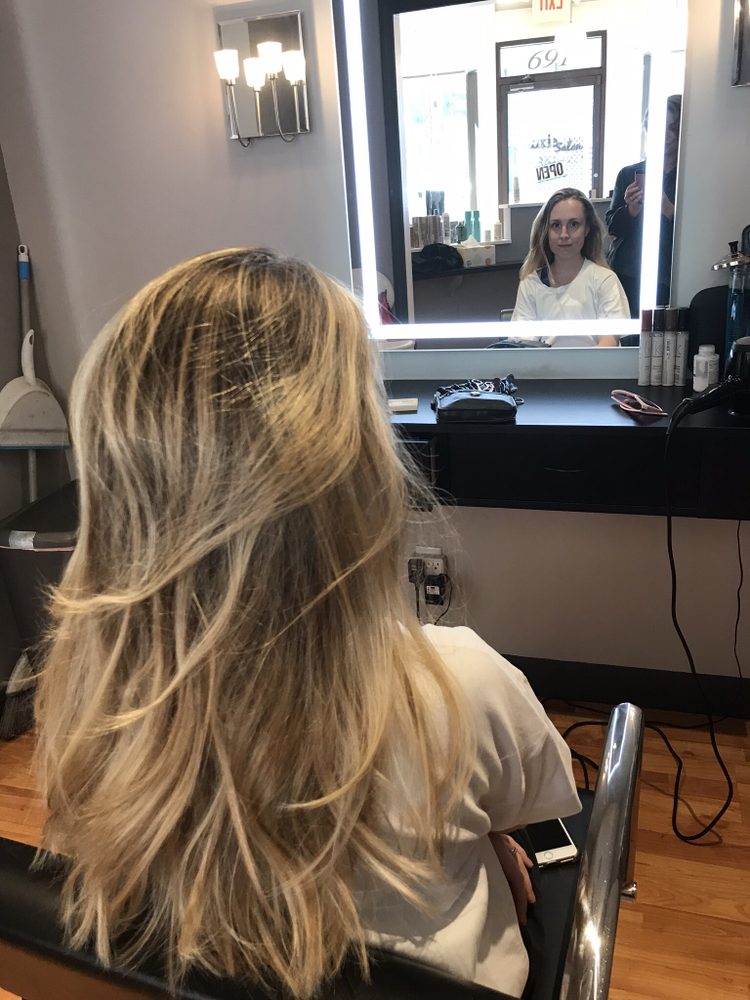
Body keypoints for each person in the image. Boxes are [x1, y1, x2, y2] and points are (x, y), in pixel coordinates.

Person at [35, 248, 580, 1000]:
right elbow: (534, 804)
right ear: (360, 477)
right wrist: (486, 837)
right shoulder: (460, 685)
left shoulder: (90, 708)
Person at [512, 188, 629, 345]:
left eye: (574, 224)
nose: (564, 235)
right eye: (556, 225)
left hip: (595, 361)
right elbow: (523, 345)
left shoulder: (604, 280)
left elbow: (609, 342)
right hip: (544, 362)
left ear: (587, 229)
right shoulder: (530, 284)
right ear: (546, 231)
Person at [606, 95, 682, 317]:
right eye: (659, 128)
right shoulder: (629, 174)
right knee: (628, 331)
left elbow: (697, 234)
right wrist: (631, 211)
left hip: (670, 275)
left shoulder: (688, 177)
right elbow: (612, 227)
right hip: (628, 271)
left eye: (672, 128)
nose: (666, 136)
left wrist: (669, 210)